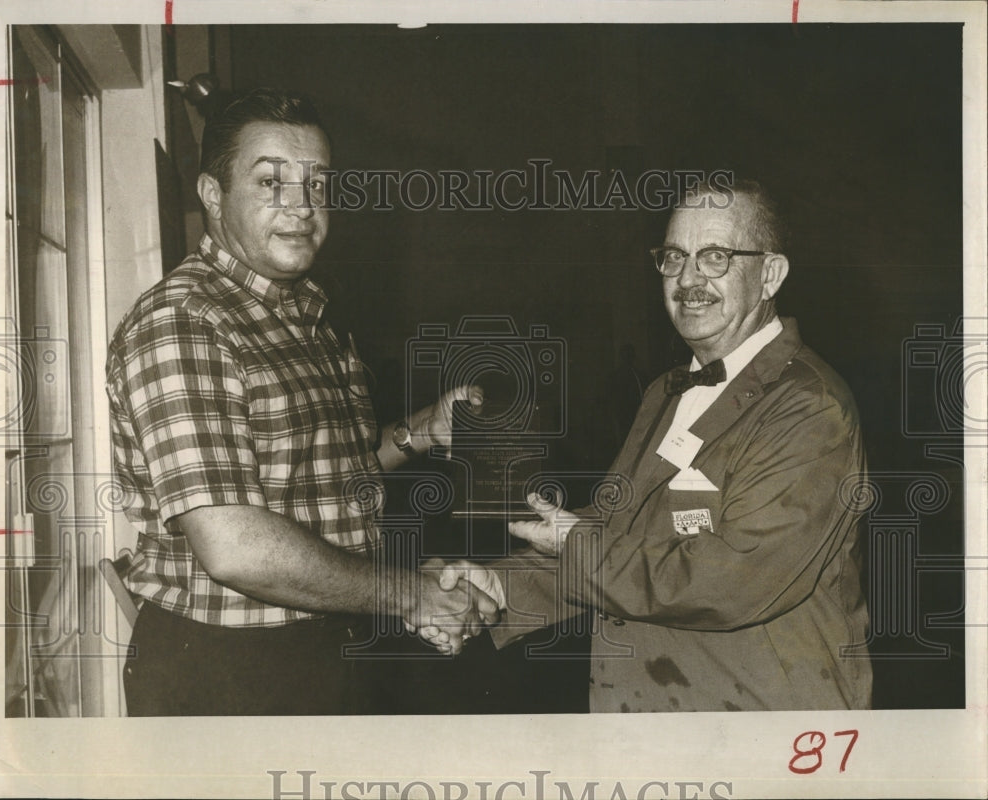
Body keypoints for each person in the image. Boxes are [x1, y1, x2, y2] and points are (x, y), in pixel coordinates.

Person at [105, 88, 496, 716]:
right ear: (213, 194)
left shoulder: (305, 313)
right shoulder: (186, 322)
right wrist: (412, 595)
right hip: (228, 673)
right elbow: (233, 544)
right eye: (270, 182)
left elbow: (322, 480)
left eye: (317, 184)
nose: (301, 207)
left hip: (326, 642)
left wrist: (418, 433)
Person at [438, 179, 872, 712]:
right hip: (651, 720)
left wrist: (576, 544)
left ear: (770, 275)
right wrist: (500, 586)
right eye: (674, 257)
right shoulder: (664, 391)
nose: (688, 279)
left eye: (715, 257)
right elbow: (621, 534)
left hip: (759, 727)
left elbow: (729, 580)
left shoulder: (809, 406)